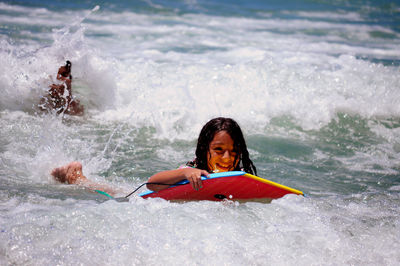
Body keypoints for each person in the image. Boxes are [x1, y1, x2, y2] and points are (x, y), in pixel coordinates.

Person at [51, 117, 256, 196]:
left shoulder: (237, 176)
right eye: (219, 150)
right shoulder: (192, 170)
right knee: (112, 192)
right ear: (205, 150)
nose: (227, 157)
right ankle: (74, 177)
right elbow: (152, 183)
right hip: (140, 199)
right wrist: (186, 173)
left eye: (234, 151)